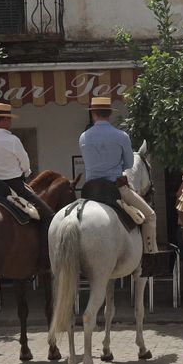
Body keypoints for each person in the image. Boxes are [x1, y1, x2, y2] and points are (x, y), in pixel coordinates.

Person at [79, 95, 158, 253]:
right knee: (150, 216)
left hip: (90, 190)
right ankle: (150, 258)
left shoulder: (83, 137)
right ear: (110, 114)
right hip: (116, 188)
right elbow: (129, 164)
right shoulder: (121, 136)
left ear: (93, 114)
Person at [0, 102, 53, 221]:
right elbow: (25, 162)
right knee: (48, 215)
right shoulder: (12, 140)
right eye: (9, 119)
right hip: (13, 186)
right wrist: (27, 173)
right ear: (4, 119)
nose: (10, 122)